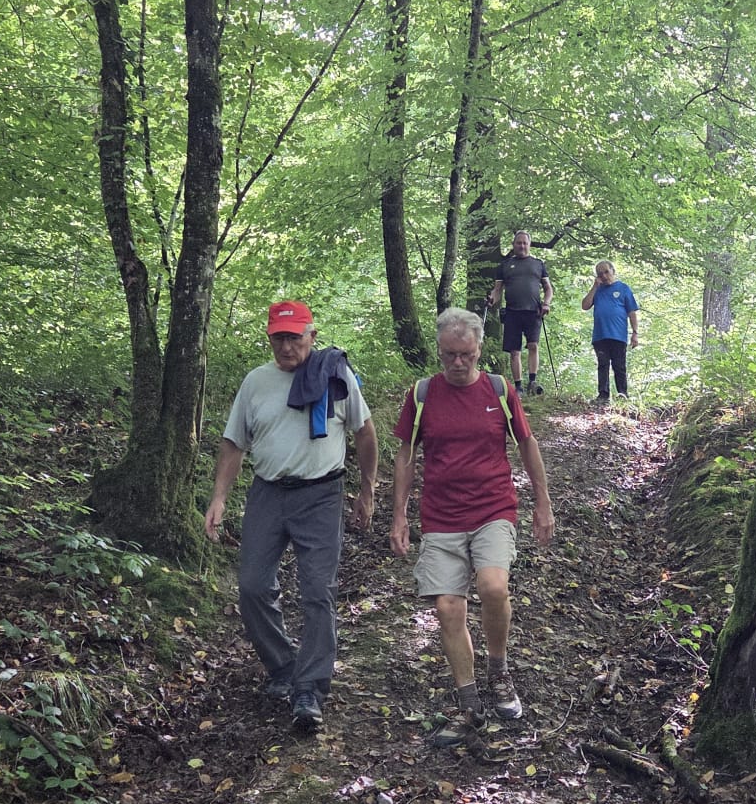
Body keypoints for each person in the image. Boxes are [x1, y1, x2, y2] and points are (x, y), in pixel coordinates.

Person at [205, 301, 378, 734]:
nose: (286, 346)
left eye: (294, 337)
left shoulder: (335, 376)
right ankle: (282, 666)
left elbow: (365, 432)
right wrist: (219, 498)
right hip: (268, 491)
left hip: (321, 494)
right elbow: (233, 442)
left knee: (318, 591)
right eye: (278, 338)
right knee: (252, 586)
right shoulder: (256, 382)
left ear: (311, 337)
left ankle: (310, 689)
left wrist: (367, 491)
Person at [390, 308, 555, 748]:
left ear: (480, 349)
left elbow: (527, 443)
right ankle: (469, 703)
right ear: (439, 351)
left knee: (493, 587)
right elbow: (405, 454)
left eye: (465, 354)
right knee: (448, 607)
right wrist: (399, 514)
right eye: (449, 355)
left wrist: (543, 503)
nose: (458, 363)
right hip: (441, 516)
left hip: (493, 508)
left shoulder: (498, 390)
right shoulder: (422, 394)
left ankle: (498, 672)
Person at [487, 229, 552, 395]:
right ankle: (518, 387)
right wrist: (492, 298)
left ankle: (532, 381)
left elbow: (548, 288)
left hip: (534, 311)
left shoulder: (538, 264)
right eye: (519, 243)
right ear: (513, 244)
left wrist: (546, 303)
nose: (522, 246)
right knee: (514, 351)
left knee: (533, 345)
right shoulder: (505, 265)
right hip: (512, 312)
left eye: (525, 243)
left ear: (529, 244)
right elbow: (497, 289)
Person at [580, 260, 639, 403]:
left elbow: (632, 312)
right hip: (600, 335)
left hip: (618, 335)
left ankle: (622, 394)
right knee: (603, 365)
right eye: (600, 274)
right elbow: (585, 305)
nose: (604, 276)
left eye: (606, 272)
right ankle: (603, 395)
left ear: (613, 271)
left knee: (619, 366)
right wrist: (595, 287)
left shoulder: (623, 288)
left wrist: (635, 333)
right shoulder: (597, 290)